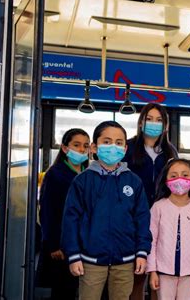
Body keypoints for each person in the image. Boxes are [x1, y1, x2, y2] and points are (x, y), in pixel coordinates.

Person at [61, 121, 152, 300]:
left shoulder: (134, 181)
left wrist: (142, 251)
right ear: (94, 147)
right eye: (107, 141)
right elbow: (71, 220)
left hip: (126, 260)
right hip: (90, 260)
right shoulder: (82, 181)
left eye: (119, 143)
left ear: (125, 149)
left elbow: (142, 219)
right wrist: (73, 254)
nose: (113, 147)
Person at [124, 103, 177, 300]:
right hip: (133, 219)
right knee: (136, 275)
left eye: (159, 120)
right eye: (149, 119)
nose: (154, 123)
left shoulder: (170, 152)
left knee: (160, 275)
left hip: (163, 220)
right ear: (140, 122)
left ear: (165, 126)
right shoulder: (128, 149)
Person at [147, 158, 190, 300]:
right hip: (163, 271)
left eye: (185, 175)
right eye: (173, 176)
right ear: (166, 180)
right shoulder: (158, 207)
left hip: (189, 272)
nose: (179, 179)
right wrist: (152, 271)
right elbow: (151, 241)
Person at [38, 128, 90, 300]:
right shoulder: (55, 174)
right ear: (65, 148)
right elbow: (47, 210)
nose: (82, 150)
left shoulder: (89, 173)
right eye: (76, 145)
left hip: (84, 242)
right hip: (61, 243)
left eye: (85, 146)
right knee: (63, 289)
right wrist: (53, 244)